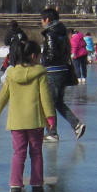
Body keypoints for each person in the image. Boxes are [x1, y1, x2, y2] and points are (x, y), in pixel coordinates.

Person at [0, 40, 55, 192]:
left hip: (17, 122)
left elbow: (3, 95)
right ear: (33, 56)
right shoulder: (40, 73)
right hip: (35, 121)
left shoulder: (11, 74)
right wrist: (50, 116)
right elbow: (45, 97)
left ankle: (15, 186)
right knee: (36, 152)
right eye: (39, 56)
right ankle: (37, 184)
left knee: (18, 153)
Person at [38, 8, 85, 140]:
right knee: (58, 102)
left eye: (42, 19)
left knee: (49, 102)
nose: (41, 22)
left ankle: (52, 133)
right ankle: (77, 125)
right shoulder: (62, 31)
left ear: (47, 19)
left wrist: (44, 63)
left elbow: (51, 53)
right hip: (63, 69)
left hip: (53, 71)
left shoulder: (50, 33)